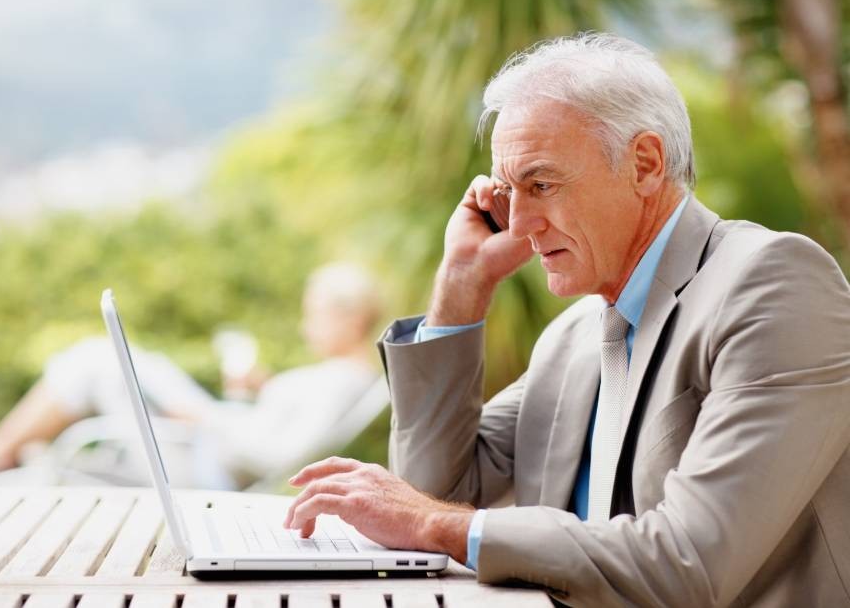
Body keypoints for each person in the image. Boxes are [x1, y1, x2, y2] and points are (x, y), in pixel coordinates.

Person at [282, 34, 850, 606]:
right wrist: (460, 286)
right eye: (508, 191)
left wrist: (439, 525)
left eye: (542, 184)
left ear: (645, 164)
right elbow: (431, 495)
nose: (521, 223)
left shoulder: (774, 283)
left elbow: (689, 561)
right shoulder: (575, 337)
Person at [0, 262, 381, 489]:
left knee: (99, 364)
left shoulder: (345, 380)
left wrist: (202, 418)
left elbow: (279, 455)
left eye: (315, 315)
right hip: (206, 445)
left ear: (352, 319)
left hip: (202, 467)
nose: (307, 326)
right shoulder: (337, 375)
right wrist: (256, 390)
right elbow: (272, 426)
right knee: (111, 363)